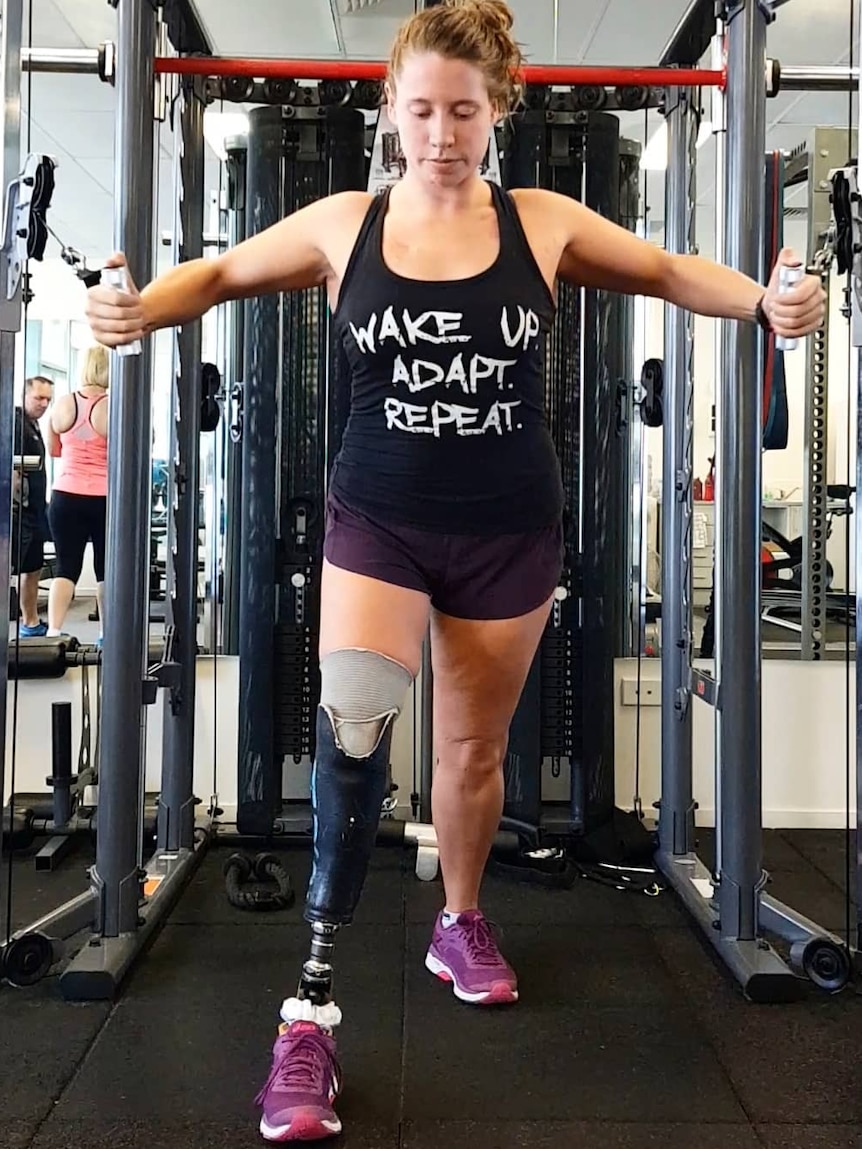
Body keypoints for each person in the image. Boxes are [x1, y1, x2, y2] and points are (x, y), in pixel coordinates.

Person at [84, 1, 826, 1140]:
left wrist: (769, 306)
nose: (441, 131)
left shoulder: (542, 222)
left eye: (463, 112)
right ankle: (310, 1012)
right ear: (390, 110)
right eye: (421, 108)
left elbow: (677, 271)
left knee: (473, 750)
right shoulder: (345, 224)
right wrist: (132, 310)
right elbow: (223, 272)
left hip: (509, 527)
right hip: (377, 519)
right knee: (353, 727)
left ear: (497, 115)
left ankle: (460, 919)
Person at [44, 344, 109, 642]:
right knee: (106, 569)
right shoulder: (113, 406)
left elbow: (54, 449)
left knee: (65, 566)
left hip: (65, 495)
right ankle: (108, 634)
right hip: (103, 497)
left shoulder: (62, 404)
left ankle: (53, 631)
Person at [13, 375, 54, 637]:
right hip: (19, 512)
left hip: (36, 510)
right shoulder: (15, 423)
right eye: (38, 398)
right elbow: (13, 466)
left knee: (32, 567)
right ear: (24, 396)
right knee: (12, 568)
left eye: (48, 399)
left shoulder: (35, 425)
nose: (44, 404)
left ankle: (30, 622)